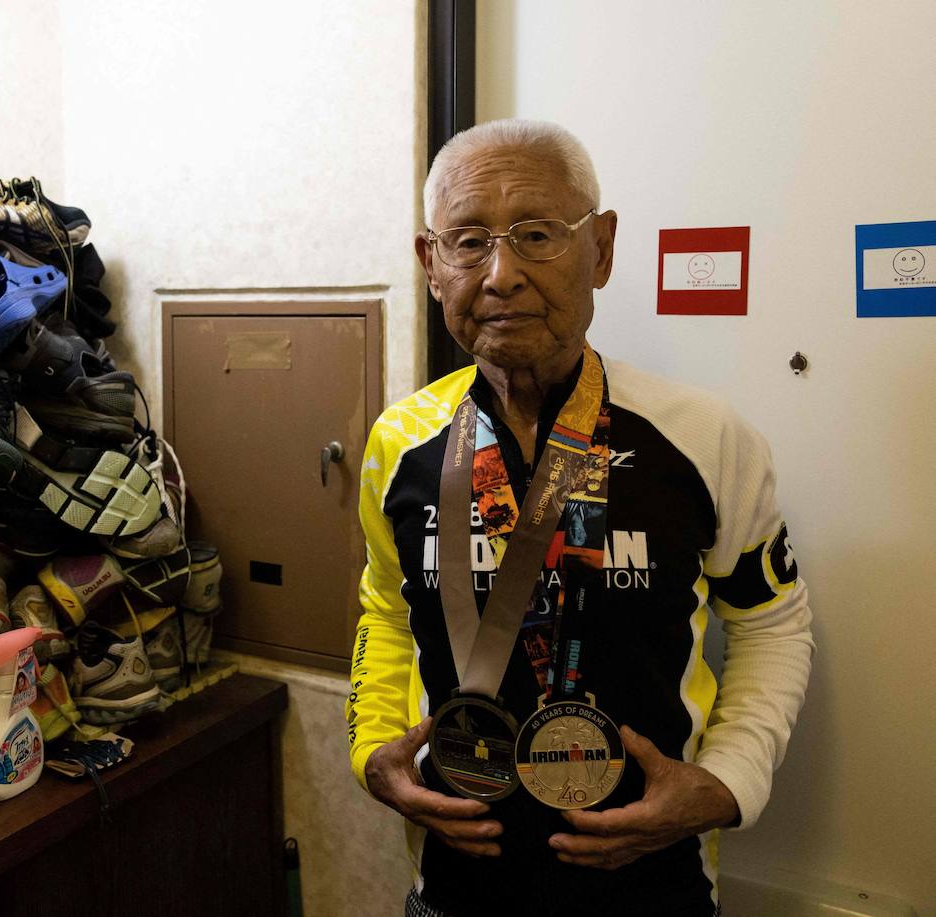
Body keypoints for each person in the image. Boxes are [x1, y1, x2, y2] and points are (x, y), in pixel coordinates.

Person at [345, 119, 814, 917]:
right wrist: (369, 754)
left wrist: (730, 781)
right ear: (431, 263)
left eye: (536, 234)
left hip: (656, 887)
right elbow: (386, 610)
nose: (500, 275)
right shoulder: (399, 442)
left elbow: (773, 620)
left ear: (599, 248)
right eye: (468, 240)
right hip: (454, 887)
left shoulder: (702, 437)